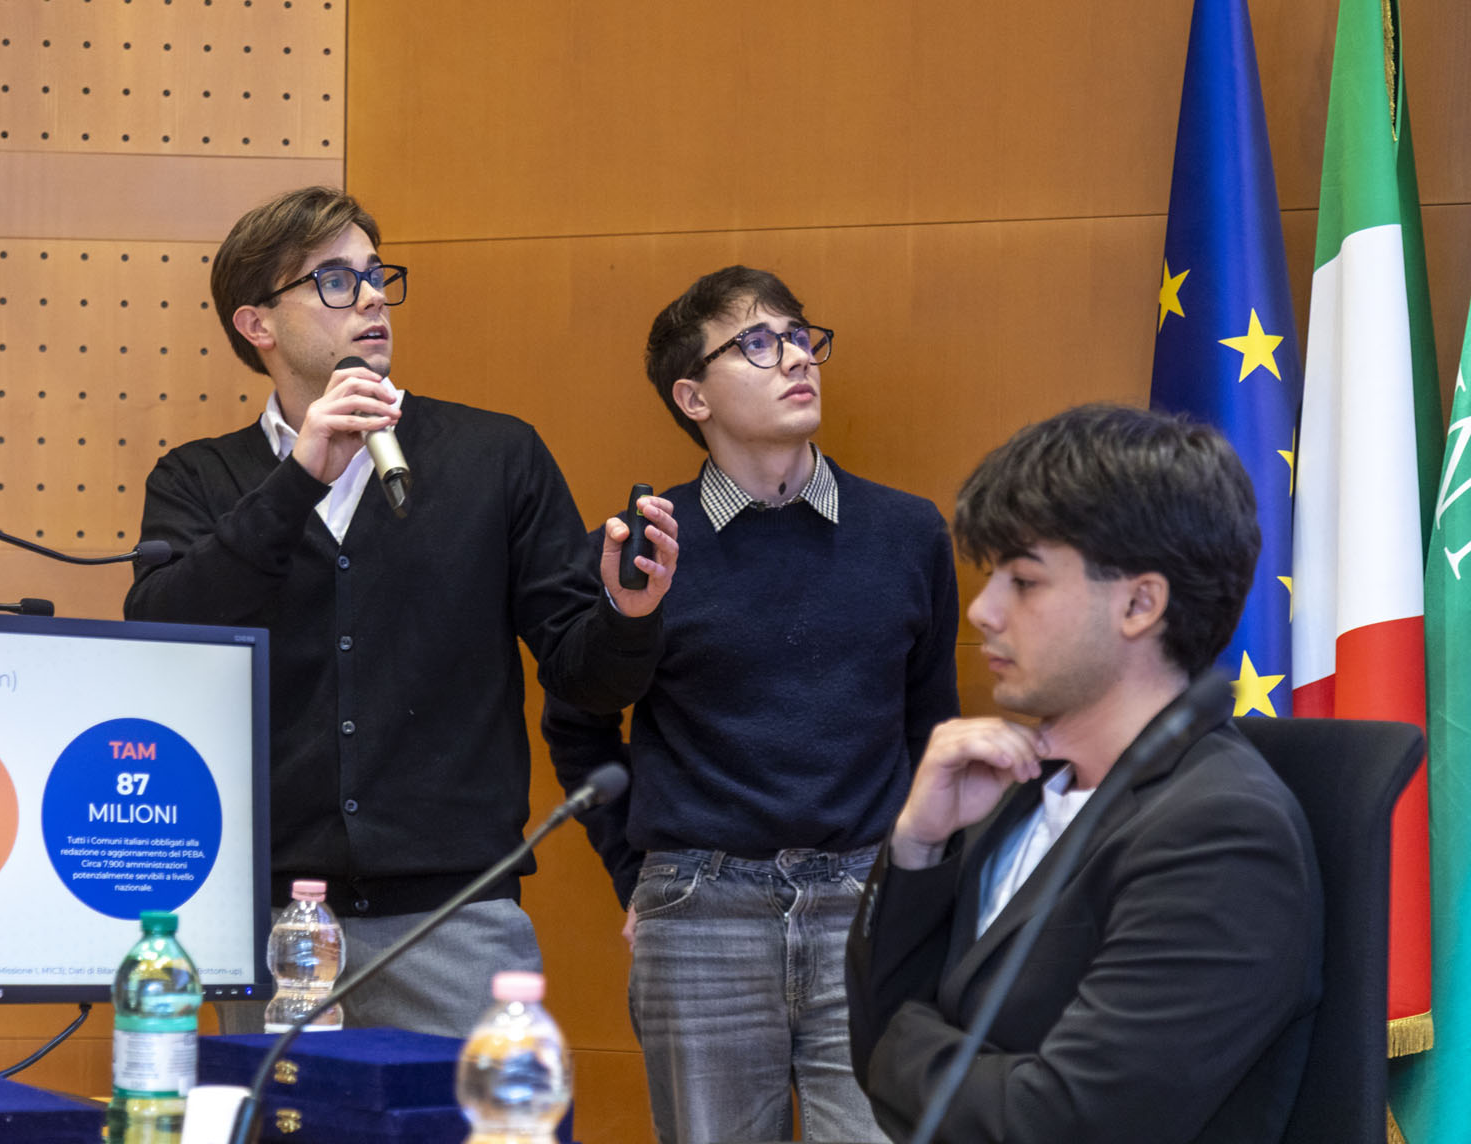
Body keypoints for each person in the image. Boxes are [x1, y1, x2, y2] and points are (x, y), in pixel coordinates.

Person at [123, 186, 680, 1037]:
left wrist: (627, 613)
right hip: (274, 923)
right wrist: (298, 481)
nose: (372, 298)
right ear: (256, 324)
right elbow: (163, 638)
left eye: (377, 275)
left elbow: (586, 678)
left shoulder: (495, 456)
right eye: (334, 280)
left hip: (457, 917)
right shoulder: (198, 478)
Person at [543, 266, 960, 1144]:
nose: (796, 358)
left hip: (869, 901)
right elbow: (579, 723)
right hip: (701, 909)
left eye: (801, 337)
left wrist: (928, 891)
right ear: (692, 396)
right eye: (757, 344)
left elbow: (932, 726)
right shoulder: (645, 546)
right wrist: (634, 874)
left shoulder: (908, 533)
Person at [846, 404, 1322, 1144]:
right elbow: (873, 1034)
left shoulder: (1222, 831)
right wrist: (918, 844)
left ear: (1139, 603)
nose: (982, 611)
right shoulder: (1017, 786)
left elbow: (1064, 1125)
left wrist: (897, 1050)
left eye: (1023, 581)